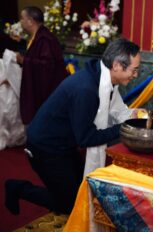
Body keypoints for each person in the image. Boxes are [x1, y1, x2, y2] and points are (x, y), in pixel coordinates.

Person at [5, 38, 141, 215]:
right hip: (45, 147)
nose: (136, 75)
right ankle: (17, 188)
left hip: (65, 142)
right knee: (68, 205)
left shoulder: (102, 77)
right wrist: (123, 128)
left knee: (82, 191)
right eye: (134, 70)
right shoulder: (86, 89)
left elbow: (117, 110)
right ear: (116, 65)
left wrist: (133, 115)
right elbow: (86, 138)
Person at [16, 6, 67, 124]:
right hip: (41, 89)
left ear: (30, 21)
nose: (21, 22)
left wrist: (24, 61)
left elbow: (47, 65)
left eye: (22, 19)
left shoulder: (45, 38)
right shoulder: (38, 36)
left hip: (47, 91)